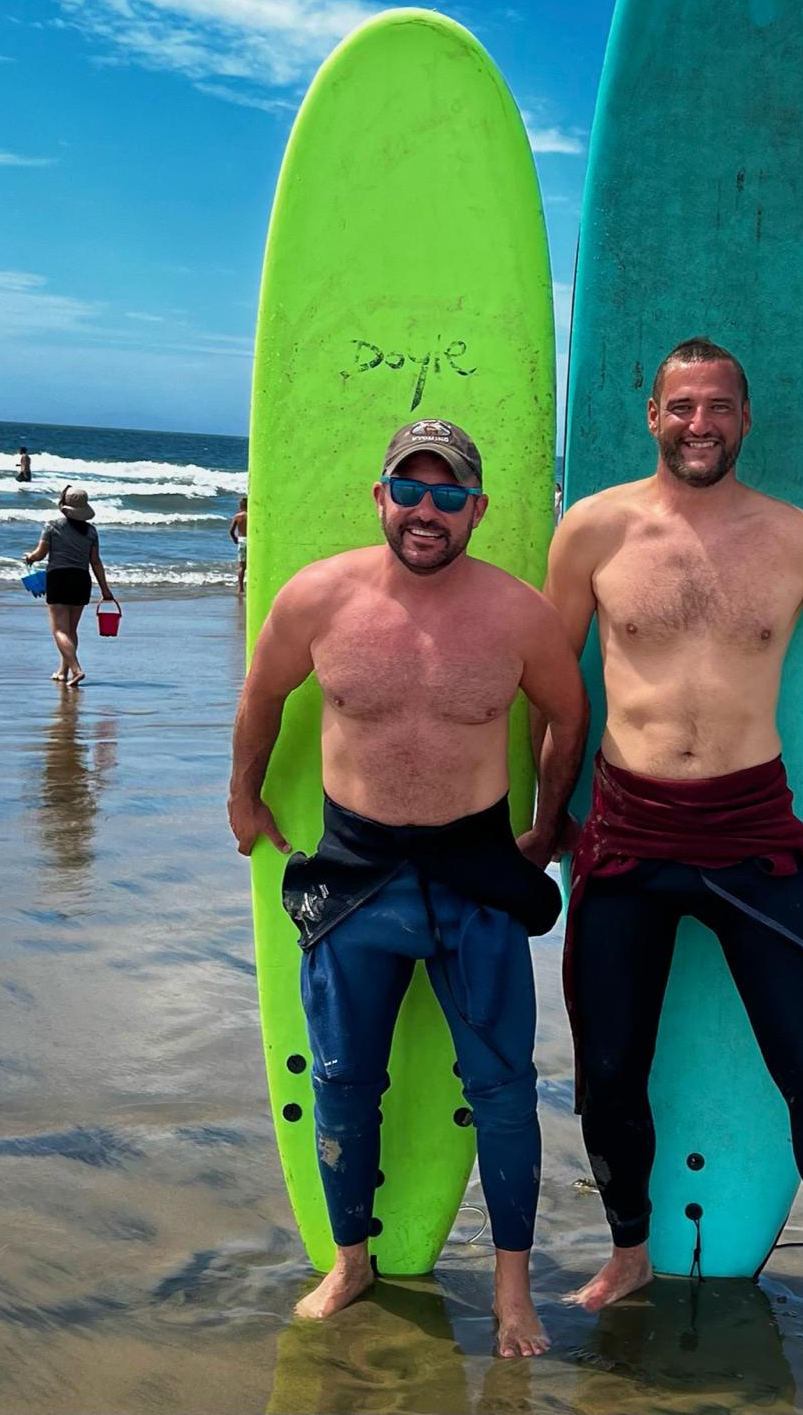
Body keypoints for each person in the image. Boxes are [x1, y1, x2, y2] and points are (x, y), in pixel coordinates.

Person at [543, 338, 803, 1379]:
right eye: (680, 405)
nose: (698, 422)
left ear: (746, 418)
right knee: (611, 1070)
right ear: (651, 413)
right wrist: (545, 813)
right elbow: (556, 686)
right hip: (626, 831)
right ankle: (629, 1249)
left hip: (750, 835)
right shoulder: (592, 529)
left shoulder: (798, 541)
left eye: (717, 406)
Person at [229, 418, 588, 1355]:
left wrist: (547, 827)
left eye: (448, 496)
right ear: (380, 496)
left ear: (476, 509)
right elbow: (262, 694)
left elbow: (568, 715)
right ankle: (351, 1260)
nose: (426, 511)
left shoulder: (517, 615)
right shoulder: (317, 598)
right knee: (345, 1083)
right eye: (409, 490)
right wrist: (243, 796)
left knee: (505, 1090)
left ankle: (514, 1291)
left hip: (476, 875)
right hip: (354, 878)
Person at [23, 486, 114, 685]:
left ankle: (76, 670)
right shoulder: (91, 531)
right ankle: (63, 672)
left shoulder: (52, 526)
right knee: (71, 630)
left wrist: (29, 557)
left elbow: (40, 554)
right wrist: (105, 590)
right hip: (82, 580)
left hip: (59, 578)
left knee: (59, 631)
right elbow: (96, 562)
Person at [229, 495, 248, 594]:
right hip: (251, 541)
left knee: (242, 566)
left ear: (240, 506)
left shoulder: (237, 516)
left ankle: (240, 588)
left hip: (242, 541)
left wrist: (235, 540)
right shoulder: (252, 516)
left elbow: (231, 531)